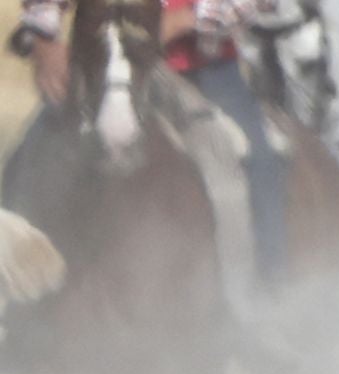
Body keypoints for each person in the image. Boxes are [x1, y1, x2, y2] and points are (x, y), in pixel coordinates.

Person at [9, 0, 290, 284]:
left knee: (257, 160)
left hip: (198, 67)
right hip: (105, 62)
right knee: (25, 163)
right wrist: (44, 42)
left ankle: (264, 288)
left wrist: (185, 19)